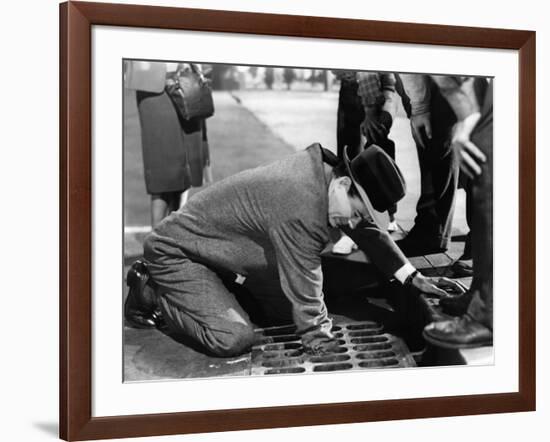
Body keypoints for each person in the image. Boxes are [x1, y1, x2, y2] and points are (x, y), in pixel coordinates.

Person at [125, 143, 462, 357]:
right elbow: (305, 277)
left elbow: (368, 232)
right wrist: (319, 339)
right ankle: (152, 290)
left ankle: (220, 290)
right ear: (345, 184)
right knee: (232, 337)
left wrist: (411, 277)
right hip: (178, 253)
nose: (356, 222)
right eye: (358, 212)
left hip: (220, 255)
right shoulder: (300, 199)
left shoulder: (333, 181)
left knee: (280, 311)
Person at [423, 76, 493, 348]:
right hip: (489, 90)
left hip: (492, 92)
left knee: (488, 191)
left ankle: (488, 315)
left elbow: (458, 68)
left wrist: (467, 119)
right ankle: (479, 293)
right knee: (480, 192)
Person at [126, 61, 211, 227]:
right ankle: (157, 244)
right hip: (154, 82)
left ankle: (171, 239)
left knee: (185, 167)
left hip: (189, 79)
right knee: (162, 168)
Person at [332, 70, 400, 254]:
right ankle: (387, 216)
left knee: (354, 163)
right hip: (380, 89)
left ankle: (354, 229)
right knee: (376, 154)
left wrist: (369, 110)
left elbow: (366, 70)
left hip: (365, 94)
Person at [394, 74, 459, 256]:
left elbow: (411, 63)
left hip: (433, 88)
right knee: (441, 155)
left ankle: (431, 234)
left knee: (434, 153)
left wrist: (420, 107)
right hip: (442, 85)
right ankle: (436, 232)